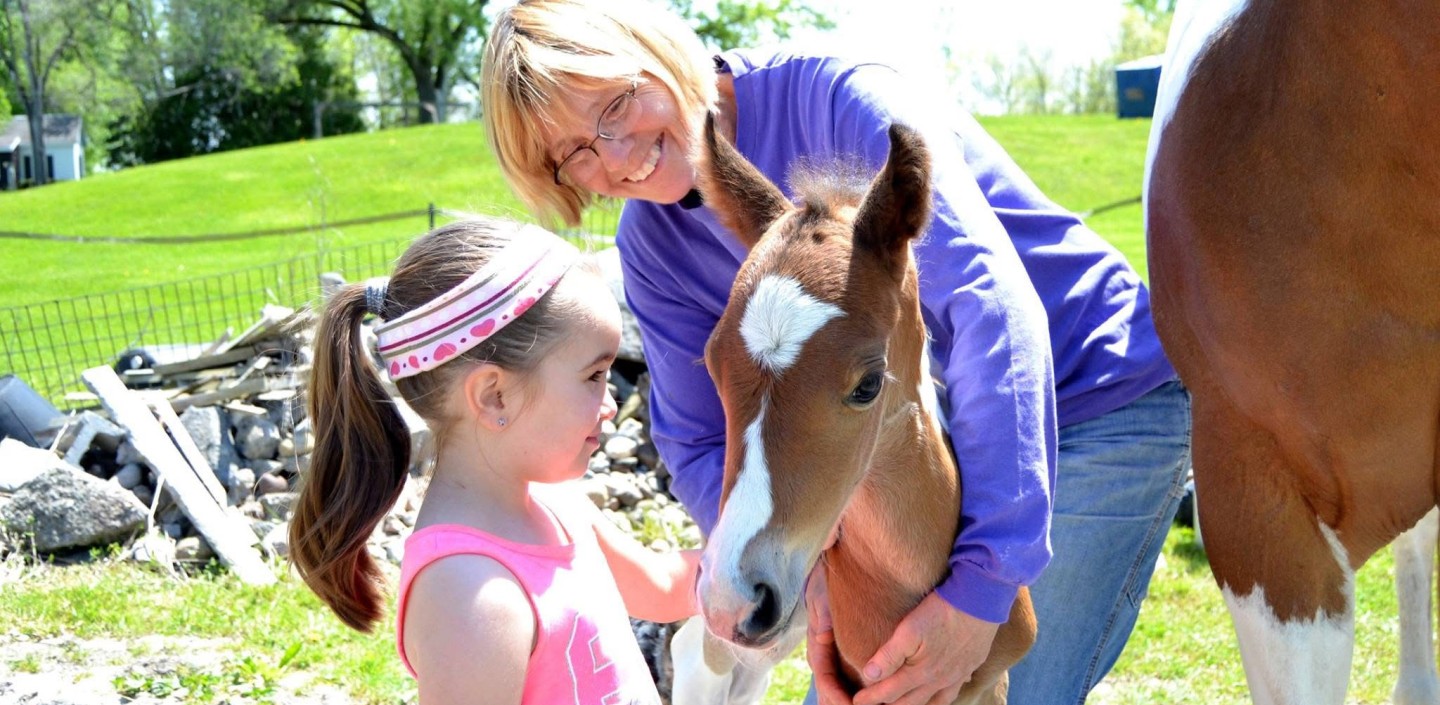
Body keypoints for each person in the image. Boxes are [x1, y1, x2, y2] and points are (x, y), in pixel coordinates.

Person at [479, 2, 1192, 703]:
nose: (618, 155)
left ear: (655, 51)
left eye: (616, 105)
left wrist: (984, 586)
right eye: (574, 150)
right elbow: (697, 436)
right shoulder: (652, 246)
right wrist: (807, 568)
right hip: (906, 436)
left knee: (987, 682)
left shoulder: (844, 99)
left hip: (1090, 388)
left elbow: (991, 314)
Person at [287, 217, 700, 705]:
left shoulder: (559, 506)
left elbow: (662, 587)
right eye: (593, 376)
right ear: (493, 396)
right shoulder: (470, 593)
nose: (610, 403)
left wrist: (776, 562)